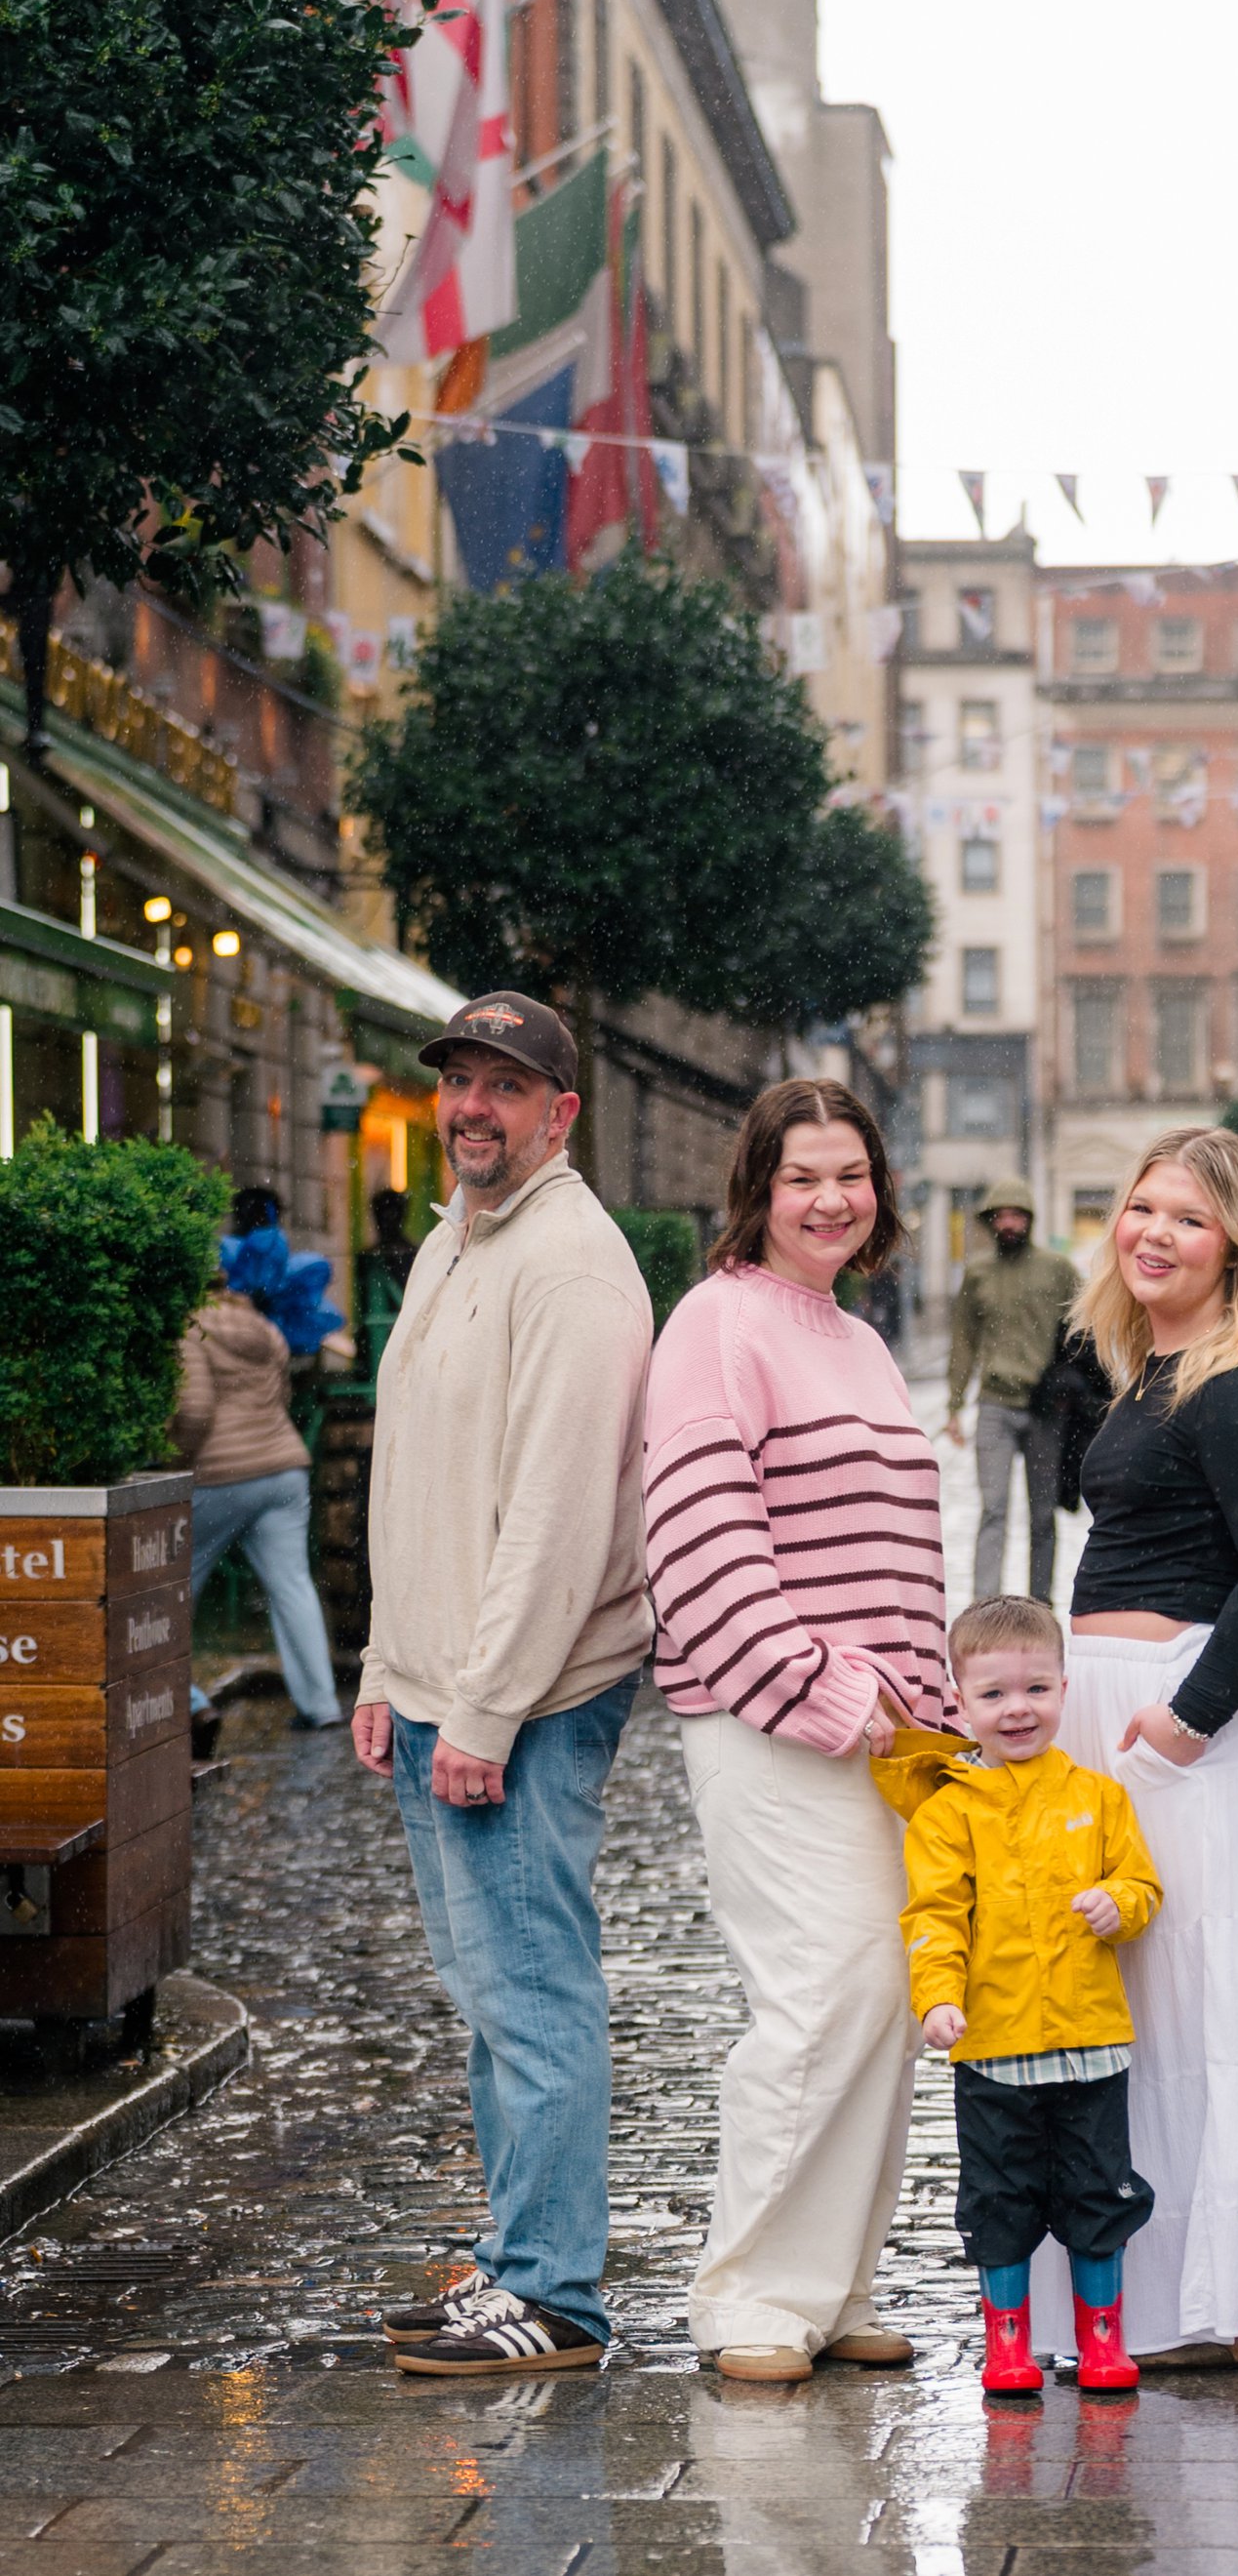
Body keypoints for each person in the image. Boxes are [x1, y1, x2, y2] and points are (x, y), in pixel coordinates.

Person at [352, 990, 655, 2377]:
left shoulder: (572, 1263)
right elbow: (411, 1474)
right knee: (490, 1998)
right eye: (459, 1080)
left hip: (524, 1698)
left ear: (560, 1112)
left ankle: (556, 2294)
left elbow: (558, 1513)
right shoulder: (454, 1238)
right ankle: (515, 2251)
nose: (473, 1105)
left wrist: (482, 1706)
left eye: (505, 1085)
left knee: (533, 1994)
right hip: (442, 1684)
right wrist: (384, 1662)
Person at [644, 1079, 949, 2386]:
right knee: (818, 1995)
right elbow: (695, 1536)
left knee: (881, 1994)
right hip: (769, 1720)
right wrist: (817, 1683)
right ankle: (750, 2294)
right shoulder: (718, 1322)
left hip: (884, 1734)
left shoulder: (857, 1338)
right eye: (803, 1177)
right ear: (758, 1190)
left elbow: (903, 1556)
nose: (831, 1199)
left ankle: (833, 2287)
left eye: (852, 1174)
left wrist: (931, 1715)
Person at [1030, 1126, 1238, 2370]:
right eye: (1142, 1206)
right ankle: (1133, 2298)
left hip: (1190, 1727)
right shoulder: (1144, 1364)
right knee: (1129, 2009)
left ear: (1236, 1246)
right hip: (1122, 1715)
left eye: (1189, 1218)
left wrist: (1187, 1718)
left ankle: (1202, 2304)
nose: (1155, 1232)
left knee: (1202, 2011)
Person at [874, 1594, 1162, 2396]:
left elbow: (1142, 1884)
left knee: (1100, 2192)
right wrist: (937, 1998)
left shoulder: (1098, 1798)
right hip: (994, 2049)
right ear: (959, 1702)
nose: (1017, 1709)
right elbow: (934, 1916)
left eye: (1036, 1689)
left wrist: (1119, 1903)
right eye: (994, 1694)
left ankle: (1102, 2340)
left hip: (1091, 2044)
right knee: (998, 2198)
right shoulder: (948, 1813)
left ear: (1064, 1689)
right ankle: (1008, 2345)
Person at [173, 1282, 341, 1730]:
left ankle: (186, 1702)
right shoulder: (264, 1327)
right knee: (293, 1585)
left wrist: (175, 1462)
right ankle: (321, 1706)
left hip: (219, 1473)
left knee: (171, 1589)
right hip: (283, 1467)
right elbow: (282, 1395)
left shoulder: (190, 1329)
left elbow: (194, 1409)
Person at [946, 1179, 1079, 1603]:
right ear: (990, 1222)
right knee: (993, 1510)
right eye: (1000, 1216)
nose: (1008, 1224)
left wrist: (1077, 1389)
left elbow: (1084, 1330)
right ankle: (985, 1605)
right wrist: (954, 1404)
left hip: (1045, 1407)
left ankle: (1040, 1604)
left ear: (1029, 1220)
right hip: (994, 1405)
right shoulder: (977, 1274)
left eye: (1017, 1215)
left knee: (1043, 1514)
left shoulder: (1057, 1270)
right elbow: (964, 1340)